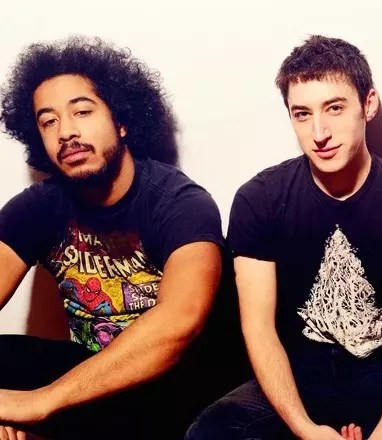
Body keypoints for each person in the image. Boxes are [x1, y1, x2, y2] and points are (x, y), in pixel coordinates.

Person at [185, 35, 382, 440]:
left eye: (335, 108)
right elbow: (259, 328)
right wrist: (305, 429)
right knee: (212, 432)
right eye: (302, 114)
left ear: (368, 105)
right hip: (296, 382)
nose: (319, 132)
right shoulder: (260, 200)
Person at [0, 36, 245, 439]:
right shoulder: (38, 207)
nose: (66, 132)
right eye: (49, 121)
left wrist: (39, 402)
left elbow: (179, 321)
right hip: (93, 382)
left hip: (177, 391)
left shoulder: (180, 202)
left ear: (122, 121)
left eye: (82, 111)